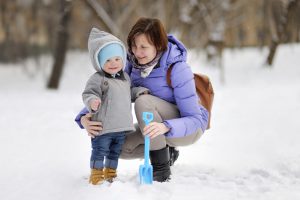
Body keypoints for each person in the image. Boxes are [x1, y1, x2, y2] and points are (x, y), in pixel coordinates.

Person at [75, 18, 209, 182]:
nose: (137, 52)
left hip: (188, 128)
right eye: (134, 46)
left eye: (144, 47)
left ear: (158, 45)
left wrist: (165, 127)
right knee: (117, 144)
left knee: (143, 101)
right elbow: (108, 89)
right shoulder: (132, 64)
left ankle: (161, 170)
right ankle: (168, 153)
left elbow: (195, 119)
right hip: (154, 127)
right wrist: (84, 118)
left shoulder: (178, 68)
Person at [82, 28, 135, 185]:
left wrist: (140, 92)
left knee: (114, 152)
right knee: (100, 151)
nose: (113, 63)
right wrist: (92, 101)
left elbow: (129, 93)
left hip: (121, 127)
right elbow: (88, 93)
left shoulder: (125, 78)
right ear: (99, 62)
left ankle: (111, 172)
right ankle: (97, 174)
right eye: (108, 60)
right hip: (103, 127)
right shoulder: (97, 78)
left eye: (117, 59)